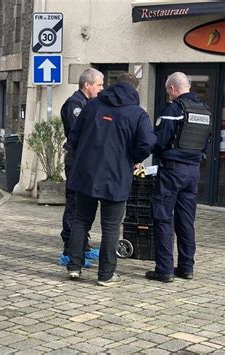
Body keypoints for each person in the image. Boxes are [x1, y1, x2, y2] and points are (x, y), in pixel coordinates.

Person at [66, 73, 156, 286]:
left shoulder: (93, 105)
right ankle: (105, 275)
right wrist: (133, 158)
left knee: (81, 220)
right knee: (111, 226)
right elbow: (148, 143)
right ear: (136, 89)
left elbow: (74, 136)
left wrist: (83, 156)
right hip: (116, 175)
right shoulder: (137, 113)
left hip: (86, 173)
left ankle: (74, 266)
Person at [146, 72, 211, 282]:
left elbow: (159, 141)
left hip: (172, 171)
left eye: (168, 91)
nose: (169, 95)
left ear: (173, 89)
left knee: (163, 218)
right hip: (193, 172)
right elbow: (207, 142)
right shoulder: (205, 111)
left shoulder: (173, 110)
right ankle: (186, 267)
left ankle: (164, 270)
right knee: (186, 221)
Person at [58, 68, 104, 267]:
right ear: (87, 85)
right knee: (75, 204)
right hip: (76, 161)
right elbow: (83, 133)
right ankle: (70, 248)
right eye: (99, 85)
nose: (102, 89)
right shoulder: (75, 105)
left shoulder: (87, 104)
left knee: (84, 206)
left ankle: (82, 245)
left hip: (84, 161)